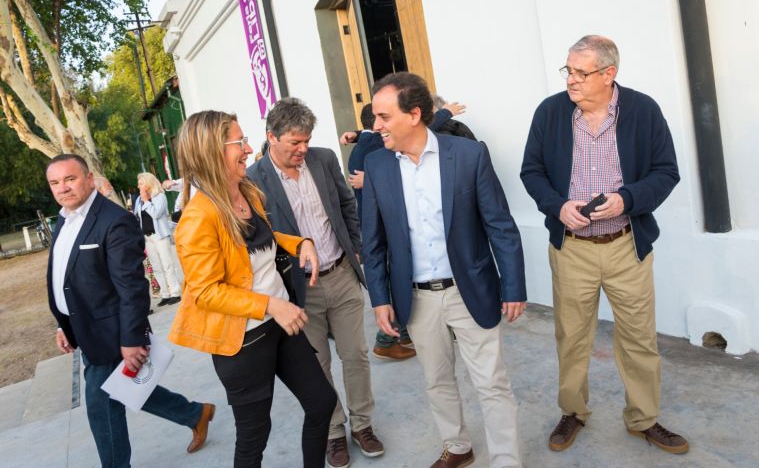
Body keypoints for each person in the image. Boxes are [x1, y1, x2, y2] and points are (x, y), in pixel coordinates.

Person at [520, 35, 686, 454]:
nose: (571, 80)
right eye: (568, 70)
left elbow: (666, 172)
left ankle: (643, 418)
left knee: (638, 338)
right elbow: (532, 171)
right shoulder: (550, 112)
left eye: (581, 72)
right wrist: (558, 206)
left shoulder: (643, 110)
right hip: (571, 247)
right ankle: (573, 412)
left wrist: (626, 200)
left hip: (626, 246)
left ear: (608, 74)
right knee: (572, 337)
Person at [362, 72, 527, 468]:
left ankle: (507, 461)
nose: (375, 126)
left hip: (470, 290)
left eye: (383, 117)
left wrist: (514, 287)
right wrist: (380, 298)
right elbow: (373, 242)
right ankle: (458, 448)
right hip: (415, 298)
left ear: (414, 114)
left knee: (491, 383)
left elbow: (500, 226)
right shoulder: (377, 165)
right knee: (437, 381)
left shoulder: (468, 155)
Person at [168, 110, 337, 467]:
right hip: (243, 342)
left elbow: (261, 241)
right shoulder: (197, 217)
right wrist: (273, 306)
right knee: (254, 436)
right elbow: (205, 291)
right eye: (239, 141)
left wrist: (298, 242)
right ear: (213, 150)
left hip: (280, 324)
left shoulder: (247, 192)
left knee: (322, 402)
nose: (248, 148)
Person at [44, 154, 215, 468]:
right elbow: (65, 277)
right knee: (125, 389)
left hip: (113, 331)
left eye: (70, 179)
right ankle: (195, 413)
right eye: (55, 182)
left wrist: (132, 338)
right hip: (84, 328)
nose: (63, 188)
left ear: (89, 179)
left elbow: (132, 286)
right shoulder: (63, 219)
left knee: (101, 405)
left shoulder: (113, 220)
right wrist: (62, 324)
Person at [246, 98, 384, 468]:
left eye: (307, 140)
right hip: (299, 291)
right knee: (318, 364)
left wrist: (357, 250)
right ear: (271, 137)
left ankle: (363, 425)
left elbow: (346, 206)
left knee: (355, 354)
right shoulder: (252, 179)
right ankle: (334, 433)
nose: (303, 149)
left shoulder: (323, 159)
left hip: (341, 274)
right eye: (294, 142)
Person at [134, 173, 181, 307]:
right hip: (148, 237)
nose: (139, 186)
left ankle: (175, 292)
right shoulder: (139, 200)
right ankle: (165, 293)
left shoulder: (160, 197)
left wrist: (147, 200)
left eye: (141, 183)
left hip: (160, 235)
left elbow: (156, 214)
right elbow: (139, 217)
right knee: (156, 267)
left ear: (148, 183)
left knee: (167, 265)